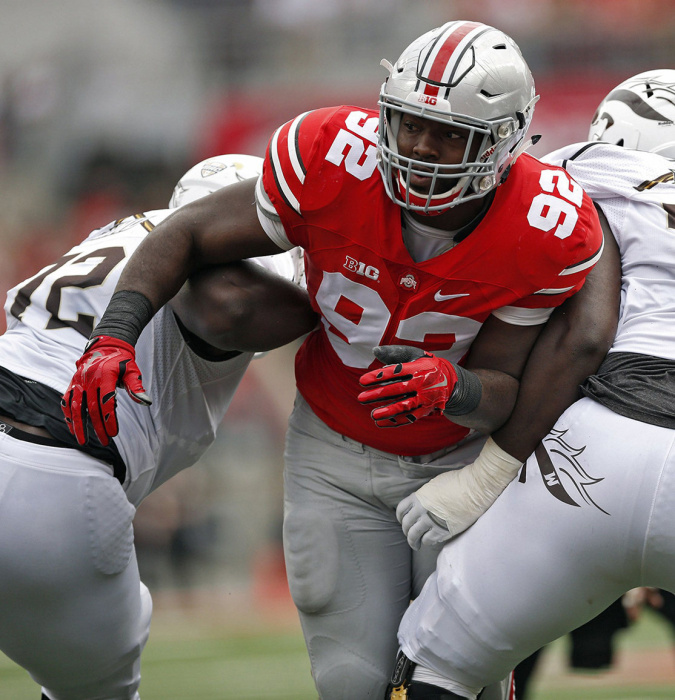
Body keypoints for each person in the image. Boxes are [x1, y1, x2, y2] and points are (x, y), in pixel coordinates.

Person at [61, 21, 605, 699]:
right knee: (350, 681)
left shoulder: (542, 226)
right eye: (409, 123)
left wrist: (455, 387)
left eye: (449, 133)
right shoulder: (328, 155)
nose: (420, 147)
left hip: (459, 457)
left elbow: (503, 390)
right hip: (334, 451)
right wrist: (115, 334)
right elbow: (188, 231)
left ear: (502, 141)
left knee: (460, 680)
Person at [387, 68, 675, 699]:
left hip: (603, 443)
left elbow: (582, 338)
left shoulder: (578, 171)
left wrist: (485, 474)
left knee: (439, 663)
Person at [0, 153, 317, 700]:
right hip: (51, 470)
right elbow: (231, 306)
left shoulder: (121, 235)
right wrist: (341, 306)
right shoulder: (212, 273)